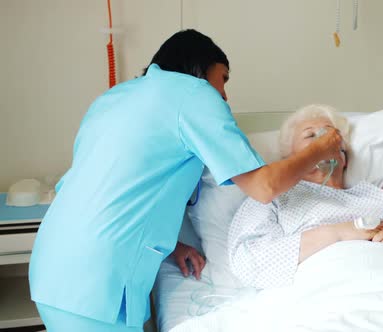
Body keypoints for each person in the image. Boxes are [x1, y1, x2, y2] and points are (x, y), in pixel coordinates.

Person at [28, 30, 342, 331]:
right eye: (223, 78)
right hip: (95, 282)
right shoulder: (195, 94)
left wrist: (168, 245)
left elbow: (109, 195)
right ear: (200, 70)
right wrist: (320, 149)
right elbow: (264, 187)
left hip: (51, 266)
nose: (224, 95)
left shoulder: (113, 98)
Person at [228, 104, 383, 290]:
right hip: (328, 300)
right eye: (310, 136)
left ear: (344, 157)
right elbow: (248, 261)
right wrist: (340, 232)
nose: (322, 141)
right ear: (290, 157)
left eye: (330, 135)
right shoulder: (275, 199)